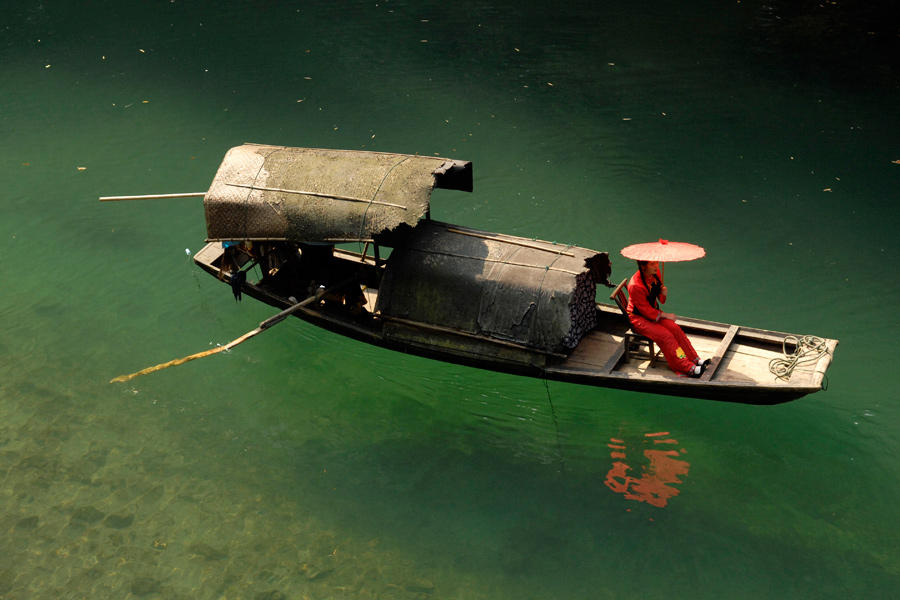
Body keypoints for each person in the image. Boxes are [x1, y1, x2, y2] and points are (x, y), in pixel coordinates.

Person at [626, 260, 709, 377]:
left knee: (674, 328)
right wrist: (666, 315)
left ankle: (695, 359)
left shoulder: (656, 273)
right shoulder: (635, 285)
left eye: (656, 262)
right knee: (666, 336)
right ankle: (687, 367)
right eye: (652, 264)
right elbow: (646, 311)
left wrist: (663, 293)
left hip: (654, 312)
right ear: (643, 266)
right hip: (639, 318)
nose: (656, 266)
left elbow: (661, 301)